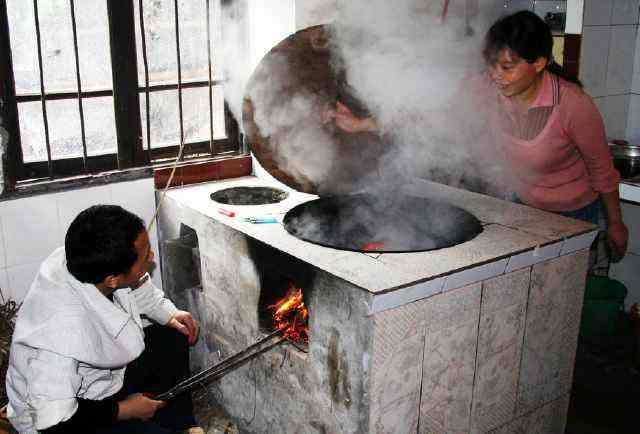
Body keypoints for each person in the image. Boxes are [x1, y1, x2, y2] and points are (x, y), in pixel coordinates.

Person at [325, 10, 628, 264]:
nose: (495, 74)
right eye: (491, 64)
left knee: (566, 300)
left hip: (574, 213)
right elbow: (431, 118)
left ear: (538, 63)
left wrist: (616, 225)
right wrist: (361, 124)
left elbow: (603, 173)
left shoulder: (573, 105)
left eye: (507, 67)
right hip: (522, 207)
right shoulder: (484, 90)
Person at [5, 205, 203, 434]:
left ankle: (181, 425)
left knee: (172, 336)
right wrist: (125, 410)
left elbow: (136, 287)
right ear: (112, 280)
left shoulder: (89, 261)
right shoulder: (60, 334)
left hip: (100, 381)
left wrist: (169, 314)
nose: (151, 257)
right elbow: (54, 421)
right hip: (67, 419)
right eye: (144, 255)